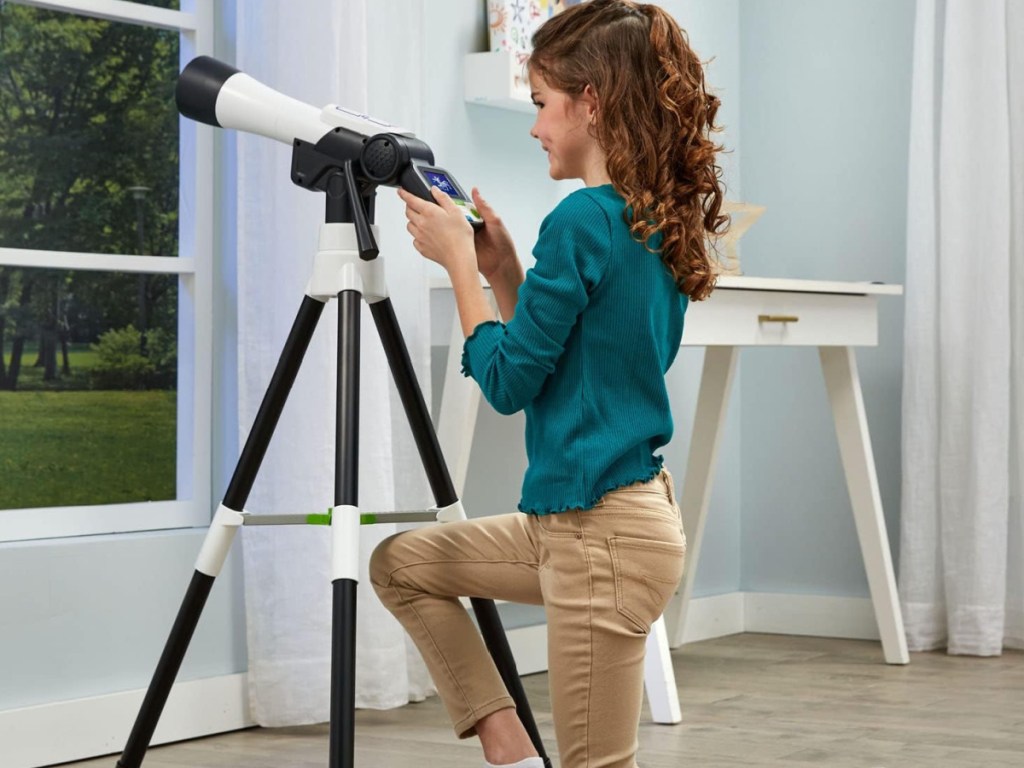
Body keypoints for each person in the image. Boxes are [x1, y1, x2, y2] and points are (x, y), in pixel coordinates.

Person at [370, 2, 728, 766]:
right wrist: (502, 271)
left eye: (542, 105)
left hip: (600, 537)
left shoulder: (578, 220)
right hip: (582, 526)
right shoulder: (648, 220)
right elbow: (557, 368)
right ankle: (510, 751)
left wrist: (460, 267)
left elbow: (503, 384)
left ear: (590, 102)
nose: (535, 128)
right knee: (401, 564)